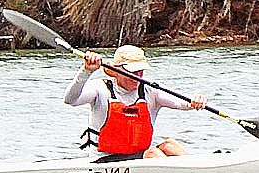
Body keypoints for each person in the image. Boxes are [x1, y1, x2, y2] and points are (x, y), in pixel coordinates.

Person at [65, 45, 205, 160]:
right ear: (116, 70)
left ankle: (198, 172)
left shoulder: (150, 91)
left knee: (170, 145)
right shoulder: (100, 88)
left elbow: (180, 102)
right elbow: (70, 100)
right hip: (104, 159)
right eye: (132, 71)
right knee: (153, 154)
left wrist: (193, 101)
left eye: (140, 71)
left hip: (138, 157)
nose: (137, 77)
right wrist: (86, 71)